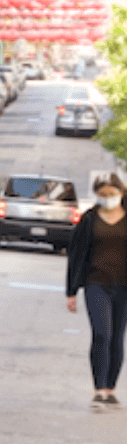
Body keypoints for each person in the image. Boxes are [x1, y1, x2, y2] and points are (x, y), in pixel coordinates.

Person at [65, 174, 127, 408]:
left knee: (117, 339)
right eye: (103, 195)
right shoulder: (89, 219)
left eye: (112, 195)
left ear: (121, 194)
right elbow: (76, 255)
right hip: (95, 283)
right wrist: (71, 291)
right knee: (102, 333)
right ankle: (98, 389)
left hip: (123, 286)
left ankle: (110, 388)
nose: (108, 199)